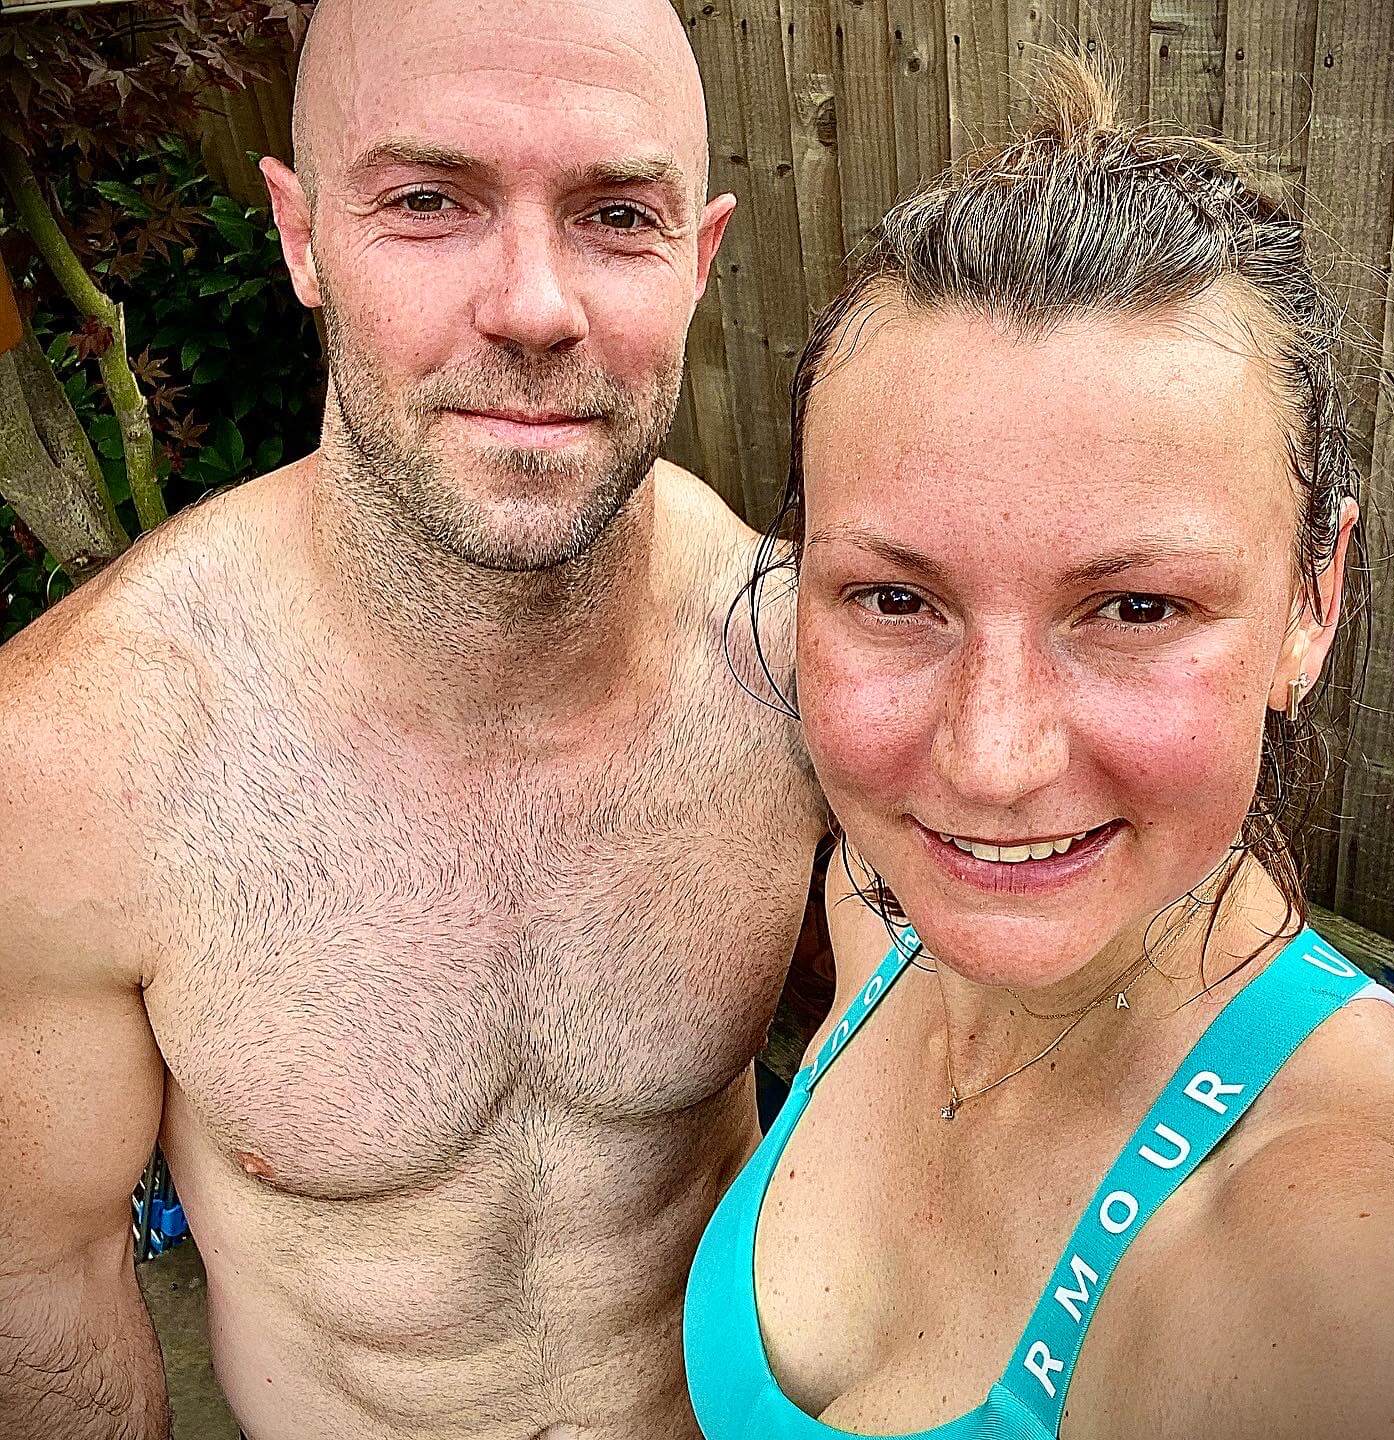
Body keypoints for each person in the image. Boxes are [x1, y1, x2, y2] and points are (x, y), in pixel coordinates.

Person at [0, 1, 830, 1437]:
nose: (534, 307)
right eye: (430, 202)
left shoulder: (797, 669)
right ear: (303, 235)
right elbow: (40, 1283)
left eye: (616, 215)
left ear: (698, 261)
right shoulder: (74, 762)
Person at [684, 53, 1394, 1440]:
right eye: (895, 599)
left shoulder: (1336, 1282)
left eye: (1137, 608)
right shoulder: (882, 909)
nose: (990, 763)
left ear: (1311, 604)